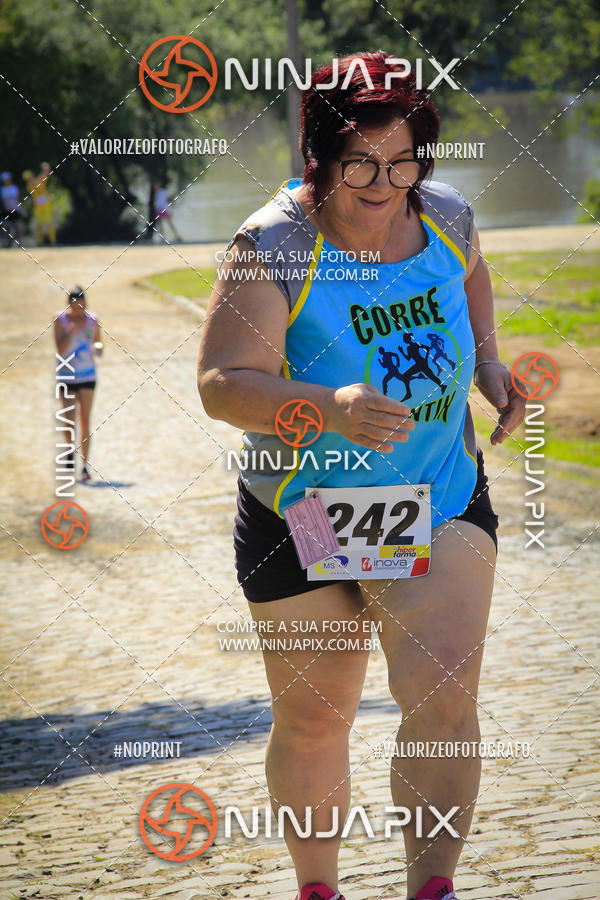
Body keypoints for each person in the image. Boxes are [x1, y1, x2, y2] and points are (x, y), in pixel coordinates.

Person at [197, 51, 526, 900]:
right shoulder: (273, 244)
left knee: (446, 689)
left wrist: (487, 363)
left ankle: (432, 888)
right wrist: (331, 408)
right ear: (319, 157)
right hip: (302, 511)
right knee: (316, 715)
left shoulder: (446, 216)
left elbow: (473, 275)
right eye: (362, 164)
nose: (386, 184)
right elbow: (221, 387)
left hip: (435, 496)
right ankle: (319, 889)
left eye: (405, 160)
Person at [54, 286, 102, 481]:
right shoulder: (60, 320)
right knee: (68, 421)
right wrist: (72, 329)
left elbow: (99, 344)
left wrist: (98, 349)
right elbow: (60, 348)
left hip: (88, 376)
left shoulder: (93, 320)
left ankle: (84, 465)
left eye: (81, 307)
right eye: (74, 308)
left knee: (85, 421)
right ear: (69, 306)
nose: (78, 312)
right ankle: (68, 453)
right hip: (66, 376)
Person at [26, 163, 56, 245]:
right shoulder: (29, 185)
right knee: (39, 225)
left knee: (49, 224)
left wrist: (46, 169)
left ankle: (53, 242)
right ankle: (40, 242)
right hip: (38, 207)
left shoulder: (39, 180)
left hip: (46, 205)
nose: (29, 178)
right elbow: (36, 182)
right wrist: (44, 170)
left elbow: (46, 175)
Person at [1, 172, 23, 246]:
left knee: (17, 226)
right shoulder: (2, 189)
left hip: (15, 210)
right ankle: (7, 243)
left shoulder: (14, 188)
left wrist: (19, 208)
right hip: (5, 211)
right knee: (6, 226)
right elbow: (3, 201)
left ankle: (19, 243)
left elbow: (17, 199)